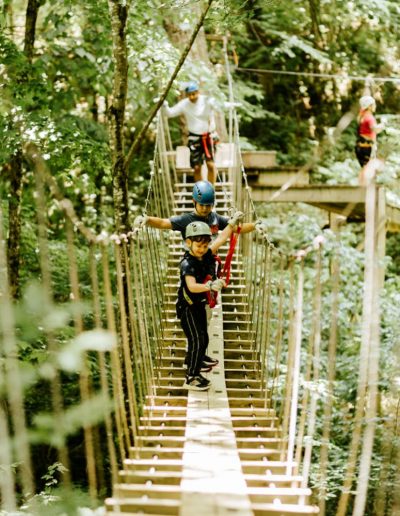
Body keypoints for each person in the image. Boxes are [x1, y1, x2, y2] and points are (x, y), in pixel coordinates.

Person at [176, 221, 231, 391]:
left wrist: (232, 224)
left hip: (199, 305)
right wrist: (210, 286)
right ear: (188, 243)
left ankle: (195, 359)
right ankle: (191, 376)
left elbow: (221, 239)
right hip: (187, 308)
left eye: (205, 245)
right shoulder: (187, 264)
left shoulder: (206, 254)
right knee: (197, 339)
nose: (202, 249)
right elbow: (191, 286)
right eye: (199, 245)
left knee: (204, 338)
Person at [133, 180, 263, 240]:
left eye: (209, 205)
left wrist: (254, 225)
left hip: (211, 266)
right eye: (202, 205)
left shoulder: (215, 218)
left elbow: (235, 228)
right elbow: (163, 223)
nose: (205, 208)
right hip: (192, 266)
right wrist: (147, 219)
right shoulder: (185, 219)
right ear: (194, 202)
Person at [163, 81, 219, 184]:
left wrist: (231, 106)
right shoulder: (184, 104)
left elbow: (221, 106)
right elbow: (170, 113)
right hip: (194, 137)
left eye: (194, 94)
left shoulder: (207, 101)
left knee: (210, 164)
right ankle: (201, 192)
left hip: (209, 136)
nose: (192, 97)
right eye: (189, 95)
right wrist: (164, 105)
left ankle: (211, 190)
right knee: (197, 167)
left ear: (198, 92)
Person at [355, 95, 385, 167]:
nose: (375, 106)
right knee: (368, 171)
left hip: (361, 147)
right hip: (368, 147)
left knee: (364, 169)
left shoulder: (362, 116)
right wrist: (383, 124)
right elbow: (376, 129)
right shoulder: (369, 117)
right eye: (373, 104)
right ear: (369, 106)